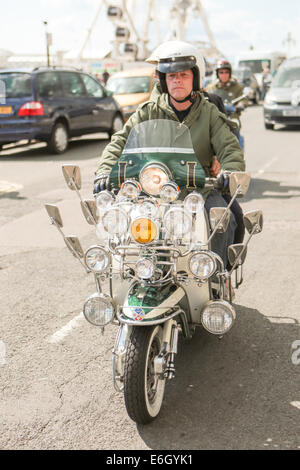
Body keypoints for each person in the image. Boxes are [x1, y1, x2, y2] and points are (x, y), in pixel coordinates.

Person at [93, 41, 245, 268]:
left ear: (195, 77)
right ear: (163, 80)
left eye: (183, 75)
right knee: (121, 222)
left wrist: (230, 170)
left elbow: (229, 146)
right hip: (154, 189)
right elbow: (119, 141)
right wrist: (105, 171)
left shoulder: (209, 113)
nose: (177, 81)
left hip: (197, 188)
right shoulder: (148, 112)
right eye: (171, 76)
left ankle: (215, 278)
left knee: (226, 219)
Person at [207, 59, 248, 125]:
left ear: (230, 73)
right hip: (215, 118)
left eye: (226, 72)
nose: (224, 74)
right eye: (221, 72)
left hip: (232, 117)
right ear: (217, 74)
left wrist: (240, 105)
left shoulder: (237, 87)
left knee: (235, 126)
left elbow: (243, 99)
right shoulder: (211, 88)